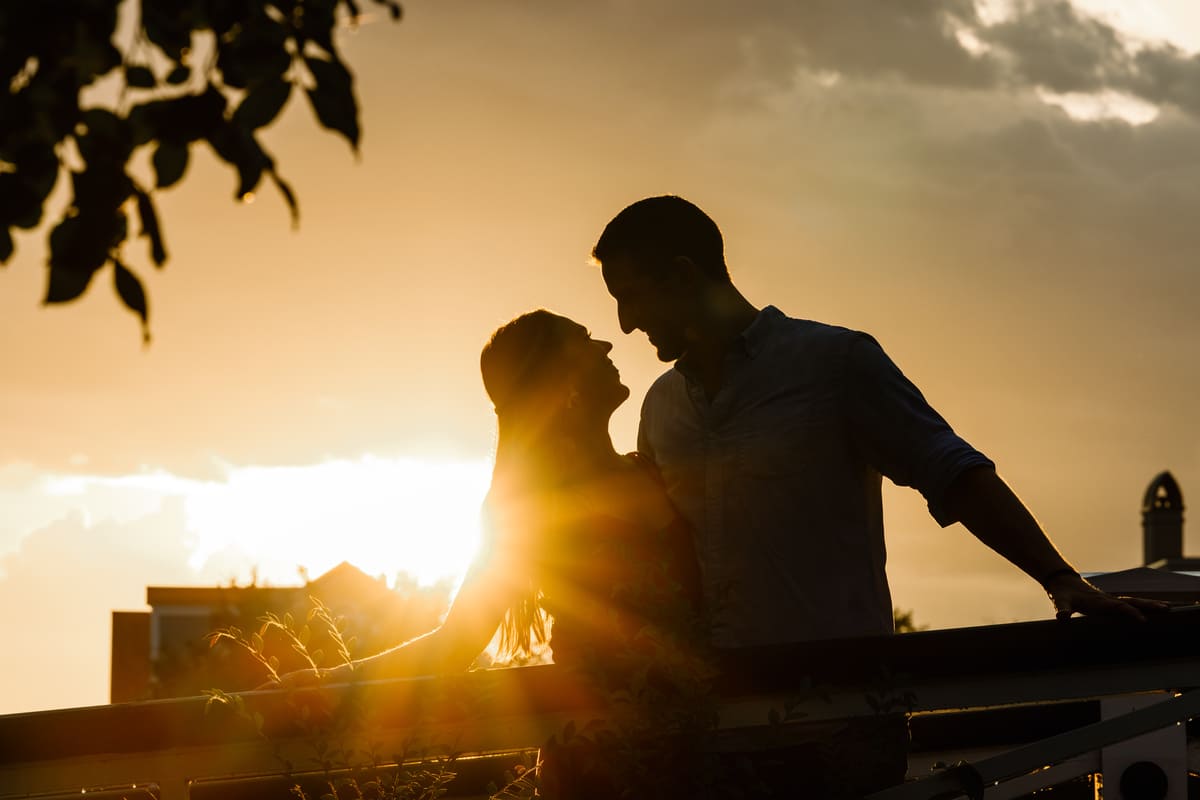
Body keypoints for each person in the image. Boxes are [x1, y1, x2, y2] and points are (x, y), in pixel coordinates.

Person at [591, 194, 1167, 796]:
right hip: (713, 739)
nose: (627, 322)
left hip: (840, 733)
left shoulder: (834, 362)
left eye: (630, 296)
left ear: (683, 274)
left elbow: (950, 469)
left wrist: (1060, 577)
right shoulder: (660, 408)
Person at [272, 309, 706, 799]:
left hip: (705, 739)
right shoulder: (528, 509)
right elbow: (457, 639)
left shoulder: (647, 467)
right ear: (560, 380)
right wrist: (333, 679)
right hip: (601, 760)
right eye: (586, 341)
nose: (606, 346)